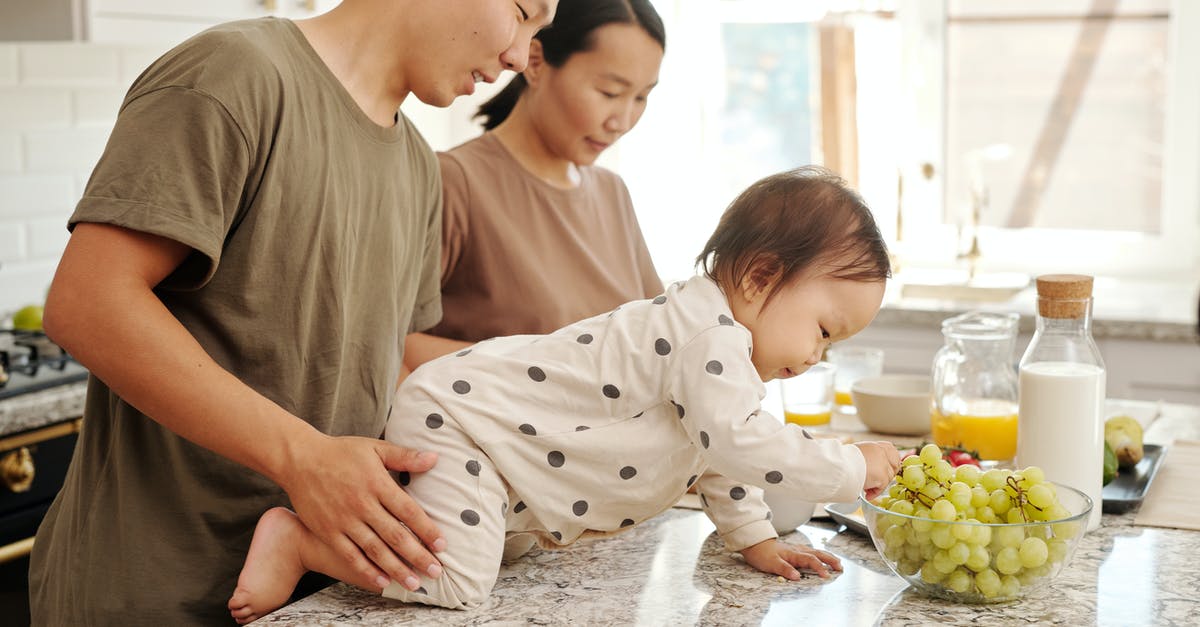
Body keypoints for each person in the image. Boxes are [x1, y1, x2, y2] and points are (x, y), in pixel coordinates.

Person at [28, 1, 558, 624]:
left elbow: (378, 369)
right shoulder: (234, 75)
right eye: (524, 12)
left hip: (313, 601)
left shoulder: (417, 165)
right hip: (152, 595)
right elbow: (88, 304)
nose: (522, 57)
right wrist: (302, 458)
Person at [227, 166, 903, 621]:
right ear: (759, 278)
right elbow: (741, 441)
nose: (817, 354)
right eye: (822, 329)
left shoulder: (720, 352)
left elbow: (718, 455)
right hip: (464, 421)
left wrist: (754, 538)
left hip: (493, 440)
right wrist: (850, 465)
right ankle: (299, 542)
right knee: (460, 581)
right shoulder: (706, 337)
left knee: (496, 551)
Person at [402, 0, 666, 370]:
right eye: (609, 92)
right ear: (537, 63)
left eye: (641, 97)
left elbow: (660, 339)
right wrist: (548, 367)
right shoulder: (454, 182)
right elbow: (387, 343)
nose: (621, 121)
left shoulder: (612, 194)